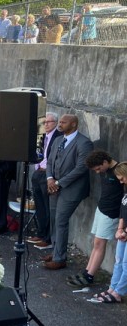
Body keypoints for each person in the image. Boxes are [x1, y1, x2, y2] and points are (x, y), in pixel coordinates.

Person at [63, 151, 122, 289]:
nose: (97, 172)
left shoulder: (118, 172)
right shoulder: (105, 170)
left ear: (105, 162)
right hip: (101, 209)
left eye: (98, 168)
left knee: (100, 244)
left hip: (111, 213)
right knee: (96, 243)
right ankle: (86, 272)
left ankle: (90, 276)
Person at [44, 114, 94, 270]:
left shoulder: (84, 143)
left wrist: (59, 183)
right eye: (59, 122)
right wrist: (50, 178)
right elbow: (50, 160)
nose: (60, 124)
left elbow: (81, 167)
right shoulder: (58, 140)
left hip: (72, 189)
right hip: (54, 186)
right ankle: (56, 250)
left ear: (73, 124)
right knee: (53, 218)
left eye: (63, 122)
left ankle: (60, 258)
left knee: (61, 220)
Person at [89, 162, 127, 304]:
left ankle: (118, 292)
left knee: (126, 264)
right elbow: (123, 211)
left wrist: (124, 231)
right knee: (118, 262)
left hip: (125, 233)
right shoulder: (125, 189)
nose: (120, 181)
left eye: (122, 178)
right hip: (123, 232)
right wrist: (119, 229)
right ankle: (113, 288)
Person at [27, 113, 63, 249]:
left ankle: (47, 238)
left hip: (48, 176)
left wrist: (51, 176)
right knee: (39, 206)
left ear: (55, 123)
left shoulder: (58, 137)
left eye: (49, 122)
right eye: (44, 122)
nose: (46, 124)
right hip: (38, 172)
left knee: (48, 207)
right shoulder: (42, 136)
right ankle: (41, 233)